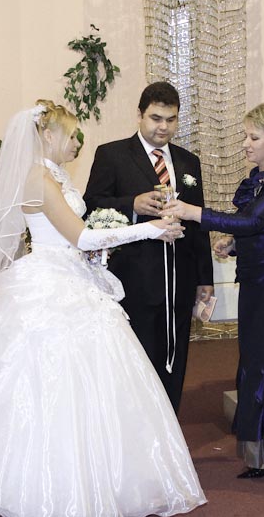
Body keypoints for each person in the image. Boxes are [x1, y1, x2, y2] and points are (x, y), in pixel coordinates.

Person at [0, 100, 207, 517]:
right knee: (46, 384)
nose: (77, 143)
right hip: (49, 283)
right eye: (71, 135)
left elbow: (80, 237)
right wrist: (150, 229)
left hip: (73, 276)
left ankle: (103, 476)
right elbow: (81, 236)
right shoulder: (38, 179)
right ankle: (40, 487)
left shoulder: (56, 174)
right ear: (47, 135)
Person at [163, 102, 264, 487]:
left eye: (254, 137)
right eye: (246, 136)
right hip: (254, 283)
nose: (245, 144)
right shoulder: (258, 180)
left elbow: (252, 220)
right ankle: (260, 453)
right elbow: (260, 230)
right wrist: (233, 245)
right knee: (253, 365)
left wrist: (191, 211)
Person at [84, 82, 214, 413]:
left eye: (171, 119)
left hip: (180, 279)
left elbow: (198, 223)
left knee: (176, 357)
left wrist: (205, 278)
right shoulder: (112, 155)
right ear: (140, 114)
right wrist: (132, 204)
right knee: (137, 359)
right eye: (156, 118)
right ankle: (136, 426)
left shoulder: (188, 161)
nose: (163, 127)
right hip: (134, 279)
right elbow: (91, 207)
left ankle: (169, 423)